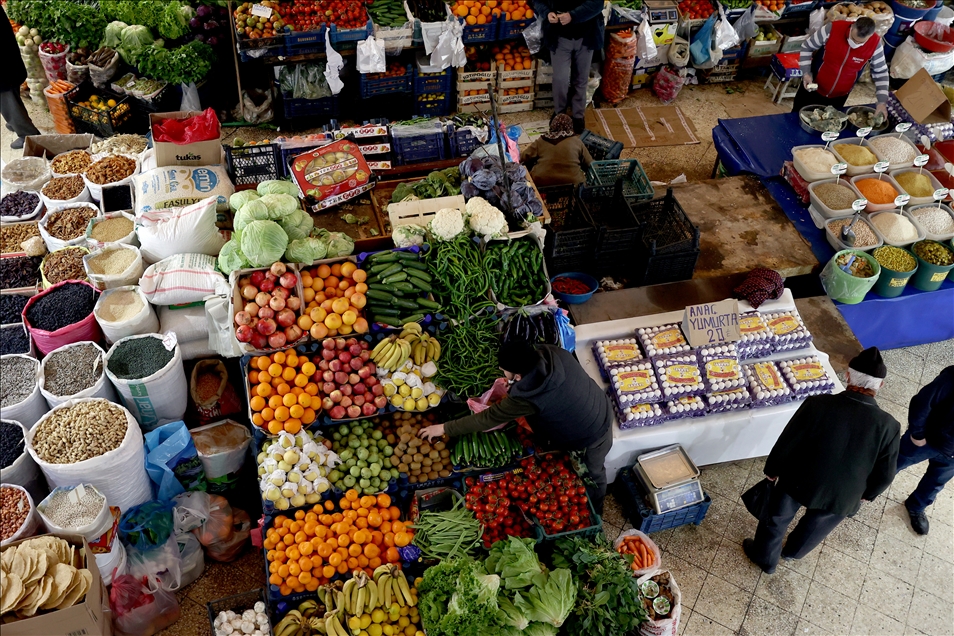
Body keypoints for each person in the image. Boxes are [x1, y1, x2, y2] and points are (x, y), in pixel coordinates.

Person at [743, 347, 900, 574]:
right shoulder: (889, 426)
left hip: (799, 477)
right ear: (880, 386)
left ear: (847, 375)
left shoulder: (818, 404)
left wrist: (773, 469)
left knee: (776, 519)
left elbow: (789, 440)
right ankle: (792, 552)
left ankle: (766, 559)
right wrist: (868, 494)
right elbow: (886, 471)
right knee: (816, 527)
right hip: (844, 492)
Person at [418, 340, 613, 512]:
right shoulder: (552, 353)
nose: (502, 373)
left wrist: (443, 428)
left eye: (505, 370)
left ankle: (595, 511)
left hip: (591, 434)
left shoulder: (528, 396)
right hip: (598, 404)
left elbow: (488, 418)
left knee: (592, 474)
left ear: (518, 375)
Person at [793, 16, 889, 118]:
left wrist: (882, 101)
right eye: (853, 39)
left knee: (827, 124)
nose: (855, 44)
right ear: (852, 26)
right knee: (795, 118)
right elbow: (807, 47)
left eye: (860, 43)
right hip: (812, 89)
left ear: (870, 36)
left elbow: (881, 72)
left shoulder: (875, 44)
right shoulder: (832, 29)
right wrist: (806, 73)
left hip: (839, 97)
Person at [532, 0, 604, 134]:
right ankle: (560, 113)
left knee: (581, 79)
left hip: (586, 37)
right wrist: (547, 13)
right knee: (560, 79)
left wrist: (573, 15)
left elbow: (597, 4)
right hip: (559, 37)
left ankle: (578, 116)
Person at [897, 366, 954, 536]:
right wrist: (917, 433)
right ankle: (863, 492)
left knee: (936, 482)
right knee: (892, 463)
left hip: (951, 455)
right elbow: (923, 402)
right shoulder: (952, 377)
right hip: (926, 441)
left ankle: (916, 506)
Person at [1, 6, 40, 149]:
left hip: (2, 66)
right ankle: (14, 121)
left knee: (6, 98)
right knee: (10, 92)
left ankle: (28, 135)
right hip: (7, 56)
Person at [521, 114, 594, 187]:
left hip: (542, 181)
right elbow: (590, 164)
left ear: (552, 126)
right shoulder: (577, 142)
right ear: (570, 127)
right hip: (573, 183)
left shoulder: (541, 141)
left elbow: (524, 158)